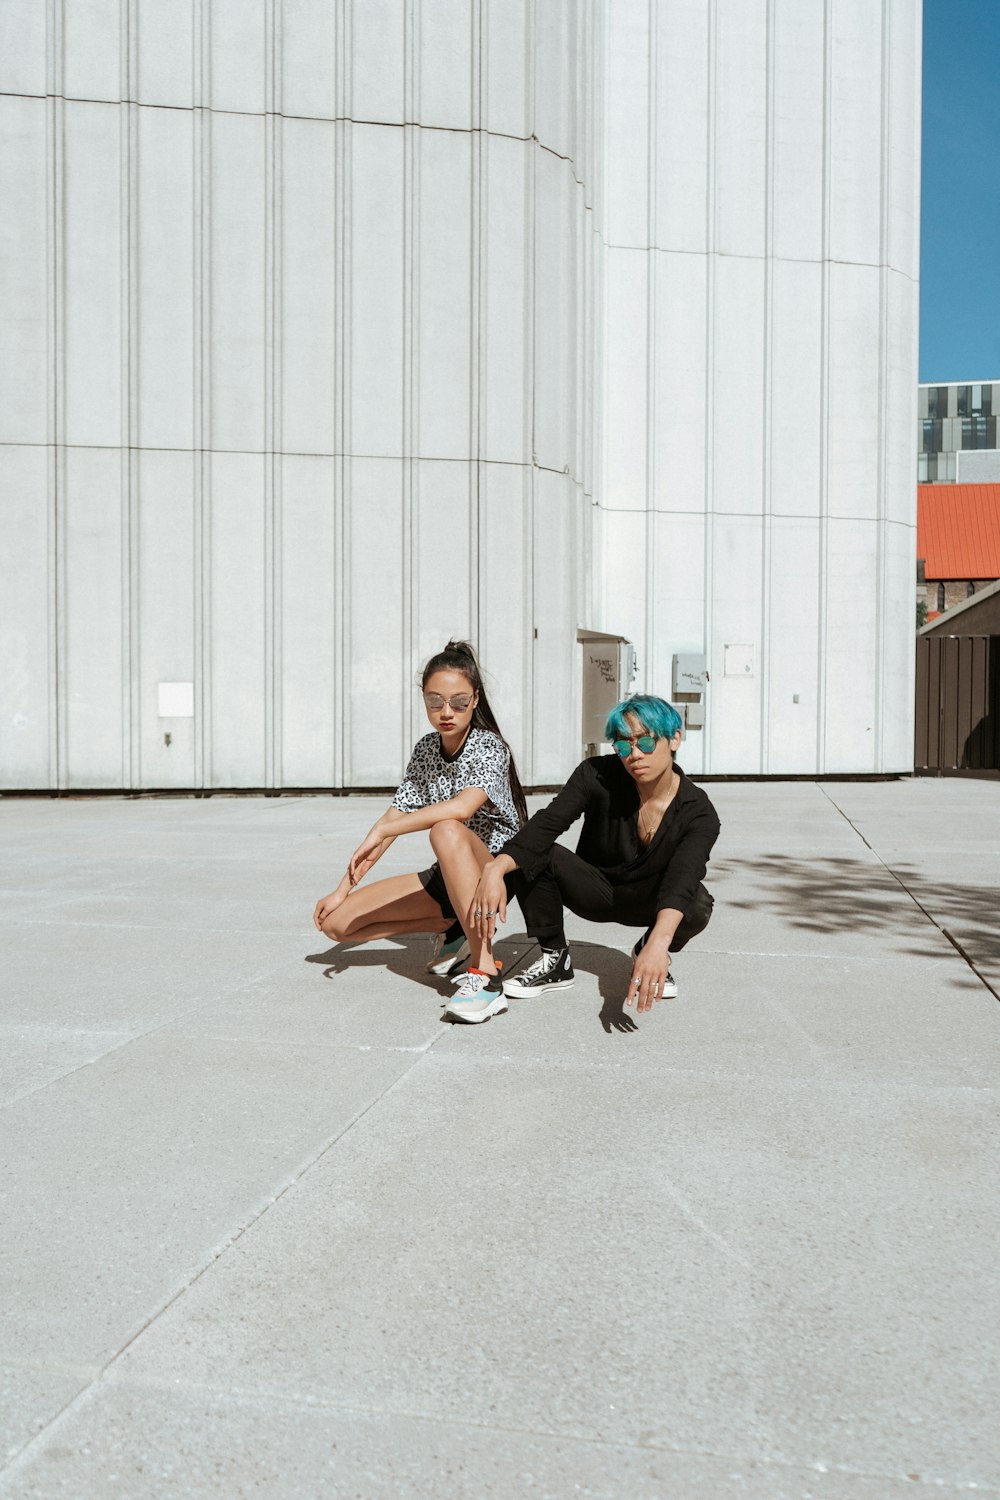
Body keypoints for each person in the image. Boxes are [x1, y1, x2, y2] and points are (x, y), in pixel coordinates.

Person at [312, 641, 527, 1024]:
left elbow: (460, 810)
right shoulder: (427, 749)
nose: (446, 712)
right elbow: (389, 821)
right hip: (449, 876)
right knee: (337, 924)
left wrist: (391, 827)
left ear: (476, 699)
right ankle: (455, 925)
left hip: (494, 872)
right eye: (435, 702)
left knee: (445, 828)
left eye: (459, 702)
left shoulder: (490, 746)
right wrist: (341, 888)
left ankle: (486, 976)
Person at [470, 694, 719, 1013]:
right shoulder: (596, 774)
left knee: (698, 902)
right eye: (624, 745)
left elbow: (684, 875)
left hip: (651, 901)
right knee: (530, 851)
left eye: (645, 742)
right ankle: (555, 960)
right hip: (595, 889)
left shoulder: (698, 811)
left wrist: (659, 943)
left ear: (674, 739)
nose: (634, 755)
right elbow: (549, 821)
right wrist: (495, 868)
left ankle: (648, 951)